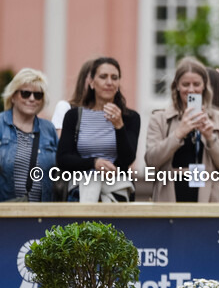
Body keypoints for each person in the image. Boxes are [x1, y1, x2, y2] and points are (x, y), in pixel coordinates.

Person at [145, 57, 219, 202]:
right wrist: (178, 134)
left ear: (204, 86)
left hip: (209, 198)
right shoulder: (160, 118)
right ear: (177, 86)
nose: (191, 89)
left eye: (196, 84)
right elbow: (151, 161)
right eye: (186, 84)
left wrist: (211, 138)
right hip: (169, 197)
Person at [57, 57, 141, 202]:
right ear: (91, 82)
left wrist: (119, 126)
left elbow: (128, 159)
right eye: (103, 77)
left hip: (116, 193)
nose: (109, 82)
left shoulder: (130, 117)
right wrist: (93, 163)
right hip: (80, 192)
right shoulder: (74, 116)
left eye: (114, 78)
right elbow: (63, 159)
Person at [1, 68, 58, 202]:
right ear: (13, 96)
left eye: (38, 95)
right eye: (25, 93)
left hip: (43, 213)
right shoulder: (1, 126)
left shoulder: (48, 129)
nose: (32, 99)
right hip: (5, 214)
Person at [51, 59, 95, 137]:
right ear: (83, 79)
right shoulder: (65, 107)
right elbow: (60, 143)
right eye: (93, 76)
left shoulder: (114, 112)